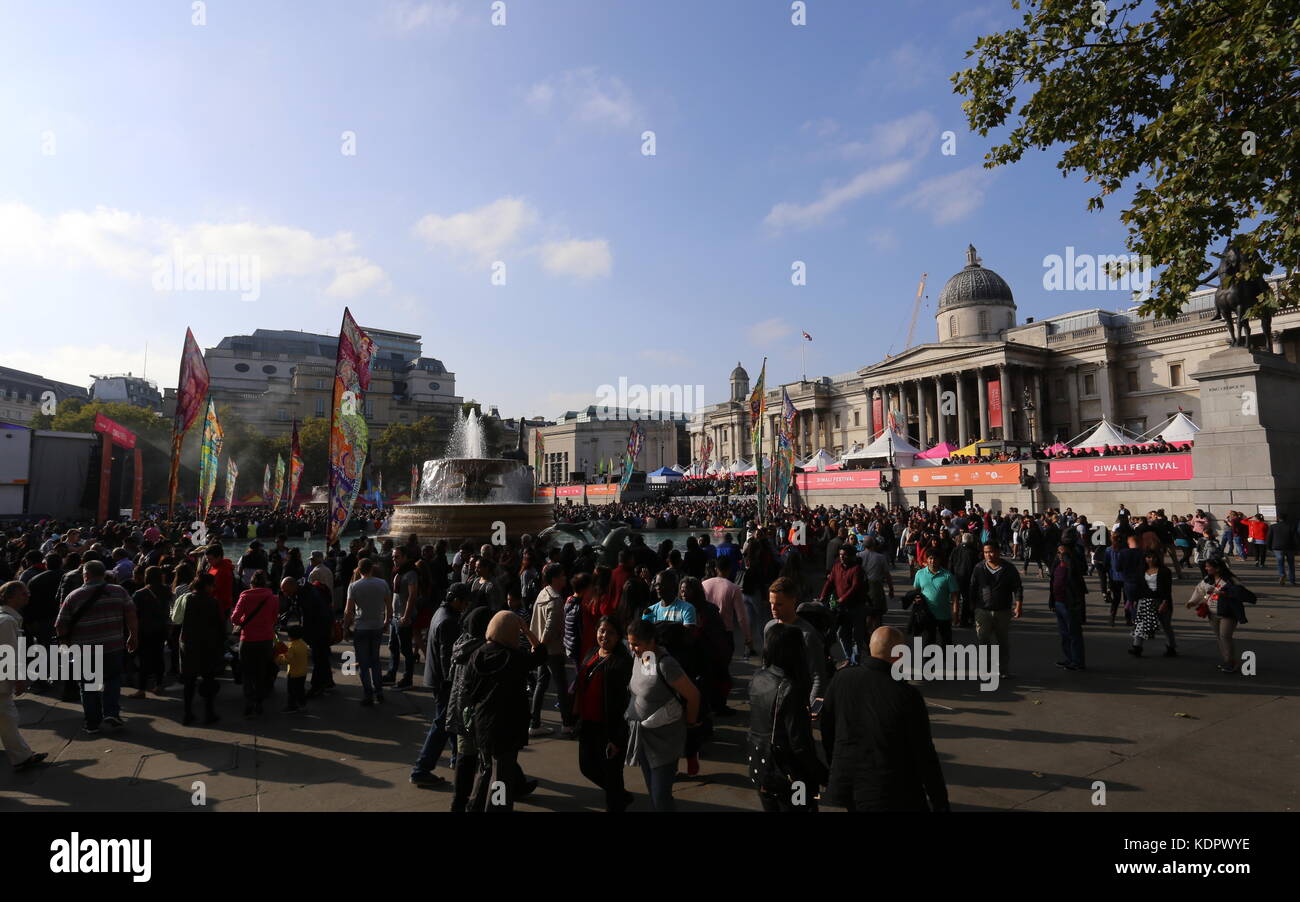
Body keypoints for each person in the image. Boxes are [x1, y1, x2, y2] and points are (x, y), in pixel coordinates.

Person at [821, 626, 949, 812]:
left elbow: (827, 729)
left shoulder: (842, 678)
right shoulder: (906, 695)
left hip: (848, 783)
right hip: (889, 790)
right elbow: (924, 754)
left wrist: (837, 764)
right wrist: (940, 802)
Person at [465, 611, 548, 811]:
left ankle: (473, 805)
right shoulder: (514, 658)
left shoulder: (477, 655)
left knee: (484, 769)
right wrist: (527, 631)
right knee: (501, 777)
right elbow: (541, 654)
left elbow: (469, 687)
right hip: (508, 727)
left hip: (483, 723)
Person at [746, 623, 827, 812]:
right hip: (789, 775)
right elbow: (799, 744)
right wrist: (822, 774)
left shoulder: (758, 677)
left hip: (761, 766)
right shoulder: (791, 689)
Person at [624, 618, 702, 812]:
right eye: (630, 643)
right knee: (653, 793)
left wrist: (690, 724)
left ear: (652, 641)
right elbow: (649, 687)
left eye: (636, 644)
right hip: (643, 738)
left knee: (660, 797)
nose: (632, 648)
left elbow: (693, 696)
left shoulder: (666, 664)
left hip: (665, 742)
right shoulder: (644, 657)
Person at [55, 560, 138, 734]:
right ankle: (111, 713)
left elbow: (60, 624)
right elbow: (131, 614)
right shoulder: (119, 591)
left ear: (86, 575)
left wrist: (64, 645)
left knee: (88, 685)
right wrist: (133, 635)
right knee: (113, 679)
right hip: (113, 645)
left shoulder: (74, 596)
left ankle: (92, 722)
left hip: (85, 649)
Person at [411, 583, 470, 788]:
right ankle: (421, 769)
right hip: (444, 681)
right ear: (456, 600)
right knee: (442, 724)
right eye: (464, 601)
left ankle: (456, 757)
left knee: (449, 720)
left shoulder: (440, 612)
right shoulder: (449, 621)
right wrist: (454, 682)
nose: (465, 605)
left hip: (436, 678)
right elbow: (448, 657)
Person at [574, 615, 634, 812]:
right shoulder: (592, 652)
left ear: (618, 636)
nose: (604, 635)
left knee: (612, 772)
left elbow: (624, 704)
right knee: (587, 767)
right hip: (588, 722)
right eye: (601, 630)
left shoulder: (622, 663)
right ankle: (619, 794)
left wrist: (617, 738)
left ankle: (617, 799)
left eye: (610, 632)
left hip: (609, 727)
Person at [446, 607, 491, 811]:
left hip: (459, 710)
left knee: (466, 757)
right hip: (474, 714)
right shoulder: (482, 651)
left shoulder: (461, 644)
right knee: (481, 762)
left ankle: (459, 803)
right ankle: (468, 804)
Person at [0, 581, 49, 771]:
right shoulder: (7, 621)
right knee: (7, 718)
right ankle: (21, 757)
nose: (28, 596)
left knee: (7, 718)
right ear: (9, 597)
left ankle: (22, 756)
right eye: (23, 593)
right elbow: (7, 654)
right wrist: (18, 679)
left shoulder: (7, 619)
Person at [170, 571, 224, 725]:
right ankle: (209, 712)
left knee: (189, 681)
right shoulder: (212, 602)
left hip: (188, 643)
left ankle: (187, 713)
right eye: (212, 585)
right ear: (207, 586)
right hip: (208, 645)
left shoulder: (185, 599)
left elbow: (176, 620)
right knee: (208, 679)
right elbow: (219, 626)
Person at [528, 563, 575, 738]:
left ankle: (535, 723)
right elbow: (550, 628)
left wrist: (537, 645)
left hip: (541, 649)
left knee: (541, 684)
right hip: (552, 650)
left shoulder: (543, 593)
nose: (565, 578)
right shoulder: (556, 600)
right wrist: (543, 643)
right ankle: (567, 724)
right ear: (555, 578)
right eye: (562, 575)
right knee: (561, 687)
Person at [765, 576, 827, 706]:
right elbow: (766, 666)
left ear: (793, 601)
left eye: (779, 604)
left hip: (797, 703)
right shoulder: (769, 627)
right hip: (772, 701)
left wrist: (812, 707)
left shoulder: (807, 635)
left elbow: (818, 676)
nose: (773, 608)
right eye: (771, 603)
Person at [968, 543, 1023, 680]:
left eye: (991, 552)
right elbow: (973, 587)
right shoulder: (979, 567)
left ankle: (1003, 670)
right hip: (982, 610)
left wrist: (1018, 605)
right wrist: (971, 606)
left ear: (998, 552)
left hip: (1002, 610)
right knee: (983, 640)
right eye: (986, 552)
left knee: (1002, 642)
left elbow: (1017, 587)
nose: (988, 555)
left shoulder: (1008, 568)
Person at [1185, 558, 1248, 673]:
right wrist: (1192, 602)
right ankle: (1227, 660)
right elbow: (1199, 591)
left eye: (1209, 566)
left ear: (1217, 568)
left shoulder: (1230, 580)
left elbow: (1240, 592)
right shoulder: (1207, 580)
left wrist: (1223, 593)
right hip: (1212, 613)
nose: (1206, 568)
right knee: (1219, 637)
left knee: (1225, 636)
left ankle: (1231, 662)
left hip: (1227, 613)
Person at [230, 570, 280, 717]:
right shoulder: (273, 598)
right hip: (265, 640)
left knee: (247, 673)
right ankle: (259, 701)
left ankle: (249, 701)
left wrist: (244, 623)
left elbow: (234, 618)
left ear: (251, 583)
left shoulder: (244, 596)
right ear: (266, 583)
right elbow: (274, 619)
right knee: (261, 672)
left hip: (247, 640)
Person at [344, 558, 392, 706]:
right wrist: (386, 621)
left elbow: (348, 611)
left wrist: (346, 628)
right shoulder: (382, 583)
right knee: (375, 661)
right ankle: (379, 692)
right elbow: (389, 607)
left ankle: (368, 694)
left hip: (361, 627)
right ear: (371, 568)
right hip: (377, 626)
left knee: (363, 664)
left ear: (359, 570)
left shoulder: (354, 586)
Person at [819, 545, 868, 664]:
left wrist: (841, 599)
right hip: (842, 608)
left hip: (857, 607)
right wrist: (822, 597)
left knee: (857, 636)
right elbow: (830, 583)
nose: (842, 557)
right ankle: (849, 657)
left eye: (845, 555)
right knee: (841, 633)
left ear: (852, 556)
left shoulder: (857, 569)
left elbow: (855, 587)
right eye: (840, 555)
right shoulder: (836, 567)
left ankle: (855, 660)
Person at [129, 566, 172, 697]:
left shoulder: (140, 594)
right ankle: (158, 685)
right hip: (161, 628)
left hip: (145, 629)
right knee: (159, 657)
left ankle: (141, 689)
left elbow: (133, 613)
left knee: (144, 659)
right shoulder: (167, 590)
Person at [1048, 544, 1088, 671]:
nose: (1060, 555)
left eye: (1062, 553)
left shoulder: (1072, 566)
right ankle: (1070, 658)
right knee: (1064, 634)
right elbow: (1053, 583)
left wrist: (1066, 556)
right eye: (1058, 552)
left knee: (1074, 633)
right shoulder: (1057, 566)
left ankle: (1078, 661)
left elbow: (1076, 570)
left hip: (1070, 604)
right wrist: (1052, 601)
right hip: (1059, 603)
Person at [702, 556, 751, 658]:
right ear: (729, 569)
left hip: (706, 631)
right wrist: (748, 638)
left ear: (716, 569)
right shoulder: (734, 588)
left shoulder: (703, 585)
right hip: (725, 633)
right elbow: (741, 618)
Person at [1129, 549, 1175, 658]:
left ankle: (1171, 647)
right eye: (1148, 557)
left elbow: (1167, 589)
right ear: (1144, 558)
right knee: (1140, 624)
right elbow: (1139, 587)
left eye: (1154, 557)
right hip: (1145, 600)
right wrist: (1136, 600)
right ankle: (1137, 647)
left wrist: (1165, 602)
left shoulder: (1164, 571)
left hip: (1161, 600)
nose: (1151, 560)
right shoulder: (1141, 571)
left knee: (1166, 625)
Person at [385, 546, 420, 688]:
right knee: (392, 646)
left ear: (405, 557)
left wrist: (406, 615)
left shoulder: (411, 573)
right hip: (395, 615)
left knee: (405, 649)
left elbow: (412, 596)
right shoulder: (397, 571)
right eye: (393, 557)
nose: (394, 559)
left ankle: (407, 679)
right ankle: (391, 674)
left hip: (404, 617)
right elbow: (395, 595)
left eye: (397, 557)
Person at [912, 553, 959, 651]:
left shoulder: (947, 575)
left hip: (944, 615)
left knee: (947, 641)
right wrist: (916, 599)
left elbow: (955, 597)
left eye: (935, 558)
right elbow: (916, 592)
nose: (932, 561)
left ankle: (948, 663)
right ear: (927, 559)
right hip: (927, 615)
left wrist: (955, 614)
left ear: (940, 560)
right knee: (929, 641)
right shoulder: (920, 573)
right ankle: (929, 664)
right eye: (930, 558)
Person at [277, 624, 310, 713]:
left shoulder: (292, 647)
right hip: (303, 672)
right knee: (300, 689)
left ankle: (292, 706)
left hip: (293, 673)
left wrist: (278, 658)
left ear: (290, 636)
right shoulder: (303, 644)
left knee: (291, 691)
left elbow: (287, 660)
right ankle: (302, 705)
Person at [1267, 513, 1296, 586]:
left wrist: (1269, 547)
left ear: (1278, 518)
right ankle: (1292, 580)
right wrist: (1296, 547)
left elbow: (1269, 538)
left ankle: (1282, 574)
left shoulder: (1273, 527)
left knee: (1280, 563)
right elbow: (1295, 538)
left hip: (1277, 548)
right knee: (1291, 564)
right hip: (1290, 547)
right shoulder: (1291, 526)